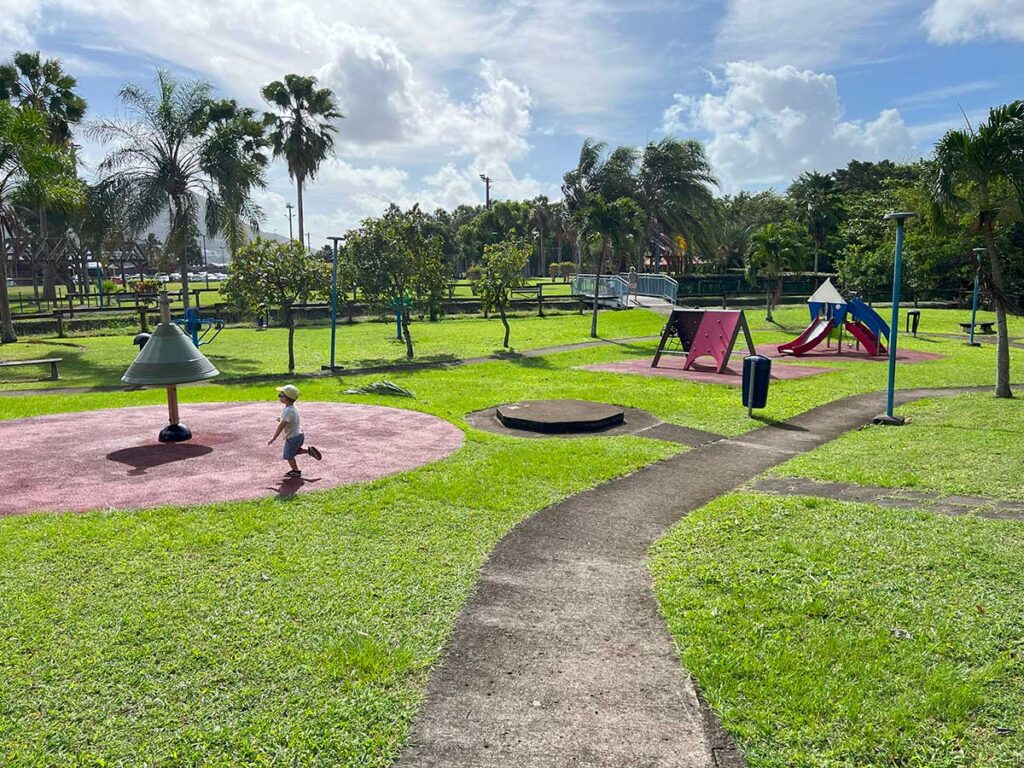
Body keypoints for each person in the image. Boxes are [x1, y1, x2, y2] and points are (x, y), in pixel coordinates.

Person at [268, 384, 322, 478]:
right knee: (293, 451)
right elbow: (289, 420)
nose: (279, 396)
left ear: (287, 398)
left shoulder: (288, 411)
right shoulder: (292, 408)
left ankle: (296, 471)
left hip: (293, 437)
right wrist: (282, 420)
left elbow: (281, 426)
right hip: (299, 435)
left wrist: (274, 437)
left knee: (288, 455)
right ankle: (308, 451)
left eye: (281, 395)